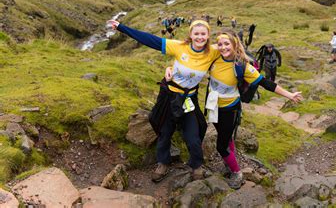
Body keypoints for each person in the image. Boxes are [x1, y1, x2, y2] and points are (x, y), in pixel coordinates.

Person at [165, 29, 303, 189]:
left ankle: (237, 172)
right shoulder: (215, 59)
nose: (223, 47)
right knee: (226, 137)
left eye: (226, 44)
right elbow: (191, 63)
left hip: (230, 111)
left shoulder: (243, 67)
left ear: (235, 44)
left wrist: (289, 95)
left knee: (221, 146)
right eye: (220, 44)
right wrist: (170, 68)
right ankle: (229, 162)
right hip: (213, 106)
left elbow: (266, 83)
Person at [108, 19, 221, 182]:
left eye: (203, 34)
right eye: (196, 33)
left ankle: (196, 165)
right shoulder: (178, 46)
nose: (200, 37)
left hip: (188, 99)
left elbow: (231, 49)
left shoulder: (213, 51)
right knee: (164, 131)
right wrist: (121, 28)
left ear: (208, 35)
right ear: (190, 34)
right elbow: (150, 40)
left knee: (193, 135)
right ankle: (163, 163)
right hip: (169, 96)